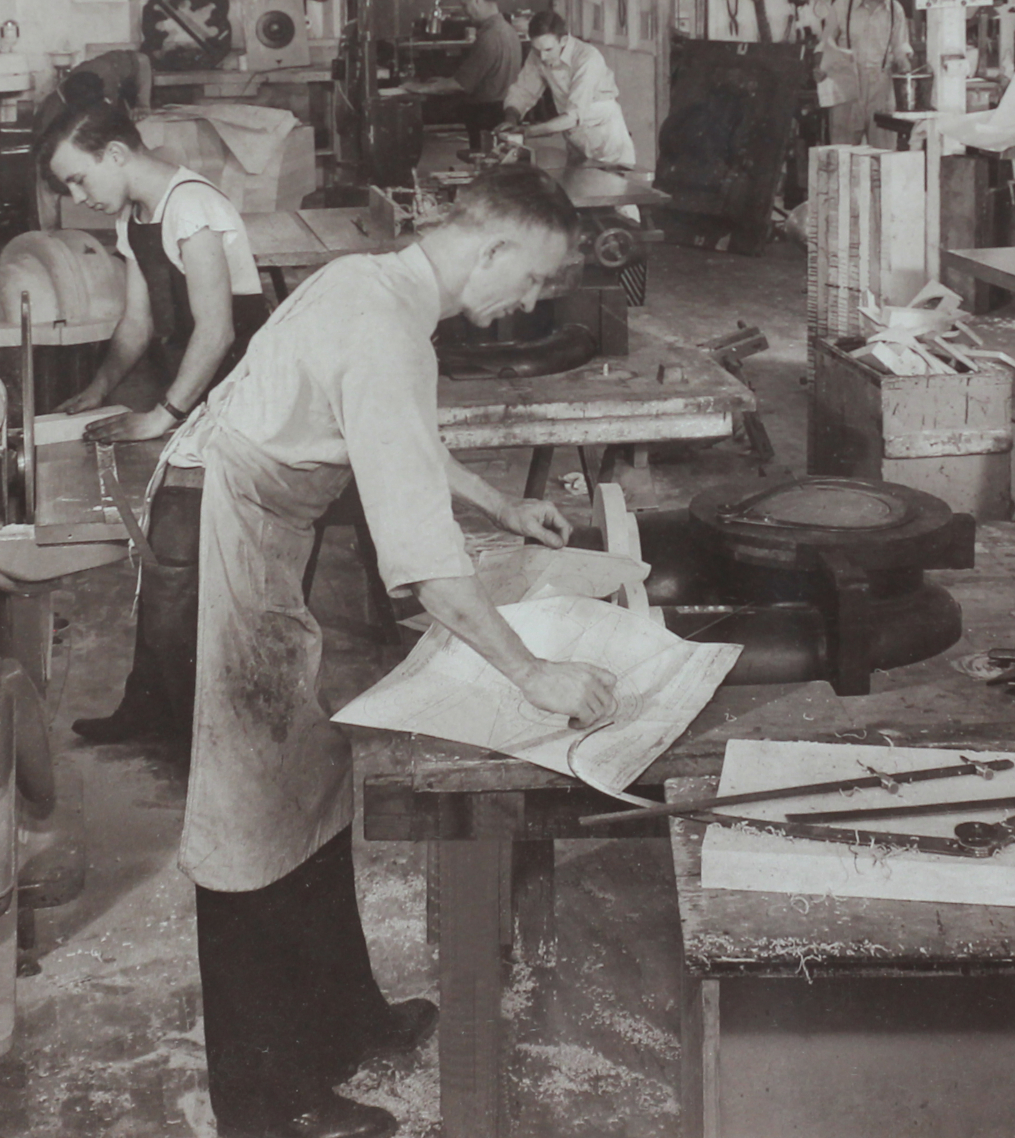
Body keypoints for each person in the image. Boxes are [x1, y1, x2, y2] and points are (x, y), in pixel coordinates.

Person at [164, 164, 617, 1138]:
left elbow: (394, 438)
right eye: (532, 281)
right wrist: (534, 672)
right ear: (490, 248)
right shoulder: (385, 332)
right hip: (232, 534)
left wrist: (499, 503)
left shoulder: (375, 283)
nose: (524, 308)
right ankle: (266, 1103)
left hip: (275, 517)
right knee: (251, 818)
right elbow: (424, 571)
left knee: (310, 784)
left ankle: (344, 1022)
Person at [35, 81, 268, 746]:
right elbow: (138, 323)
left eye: (78, 180)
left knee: (178, 562)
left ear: (114, 153)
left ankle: (195, 731)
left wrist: (160, 415)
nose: (79, 199)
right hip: (200, 405)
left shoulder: (191, 207)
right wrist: (99, 387)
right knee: (164, 560)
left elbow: (218, 331)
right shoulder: (136, 215)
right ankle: (157, 709)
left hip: (241, 406)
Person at [510, 10, 635, 171]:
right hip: (575, 136)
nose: (542, 57)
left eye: (548, 50)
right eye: (536, 50)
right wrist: (511, 117)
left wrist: (528, 131)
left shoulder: (587, 58)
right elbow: (523, 91)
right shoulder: (539, 55)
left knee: (607, 190)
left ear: (563, 40)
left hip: (605, 139)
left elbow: (574, 115)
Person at [417, 0, 527, 151]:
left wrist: (421, 87)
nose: (464, 11)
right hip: (504, 111)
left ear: (477, 0)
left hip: (487, 116)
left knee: (485, 165)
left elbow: (461, 84)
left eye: (464, 4)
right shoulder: (508, 30)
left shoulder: (489, 37)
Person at [820, 0, 913, 147]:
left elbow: (900, 46)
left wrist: (904, 63)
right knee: (842, 153)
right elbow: (825, 44)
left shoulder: (896, 10)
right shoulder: (842, 5)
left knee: (884, 153)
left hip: (882, 88)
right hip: (847, 88)